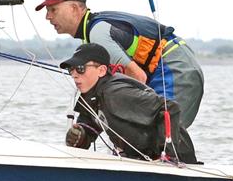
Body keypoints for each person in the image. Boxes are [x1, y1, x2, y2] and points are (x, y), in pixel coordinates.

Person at [35, 0, 204, 127]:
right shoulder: (91, 32)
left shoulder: (97, 33)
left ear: (74, 8)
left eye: (53, 10)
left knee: (163, 133)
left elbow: (137, 77)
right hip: (168, 65)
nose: (47, 17)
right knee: (151, 134)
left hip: (174, 67)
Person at [61, 43, 197, 163]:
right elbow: (89, 128)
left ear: (101, 70)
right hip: (141, 161)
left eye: (80, 68)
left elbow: (169, 108)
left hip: (177, 162)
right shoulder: (90, 98)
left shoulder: (116, 93)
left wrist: (168, 156)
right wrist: (80, 136)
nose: (74, 75)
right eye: (71, 69)